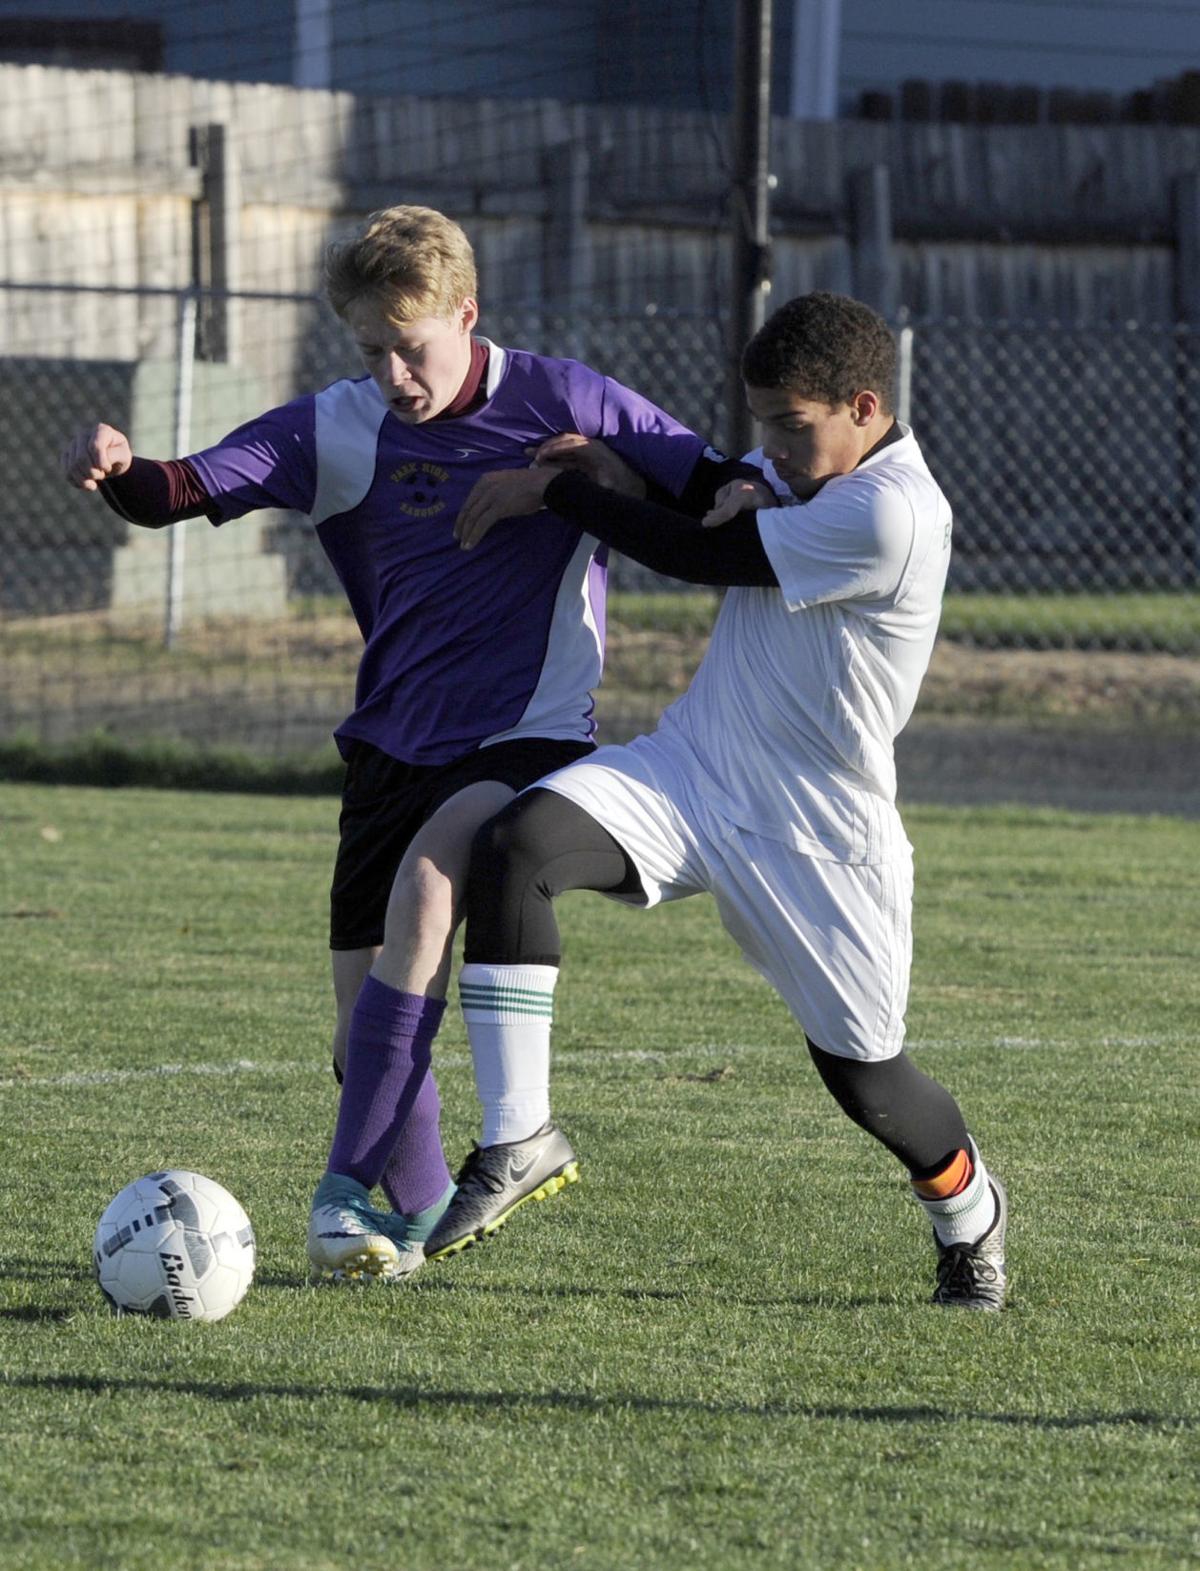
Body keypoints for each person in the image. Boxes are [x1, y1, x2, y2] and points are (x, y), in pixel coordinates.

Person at [60, 205, 754, 1285]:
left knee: (433, 886)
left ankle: (339, 1194)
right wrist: (118, 466)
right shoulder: (335, 426)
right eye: (369, 349)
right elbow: (182, 488)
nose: (391, 371)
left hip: (528, 736)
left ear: (465, 314)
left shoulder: (562, 395)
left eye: (409, 344)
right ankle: (425, 1217)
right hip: (389, 744)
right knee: (366, 1038)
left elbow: (710, 480)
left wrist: (669, 485)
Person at [421, 291, 1008, 1311]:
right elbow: (721, 500)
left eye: (792, 424)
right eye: (765, 421)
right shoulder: (806, 466)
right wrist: (624, 470)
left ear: (866, 407)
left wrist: (560, 494)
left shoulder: (893, 511)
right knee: (516, 846)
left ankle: (972, 1217)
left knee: (870, 1082)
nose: (772, 444)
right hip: (693, 770)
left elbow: (701, 554)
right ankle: (519, 1134)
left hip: (817, 832)